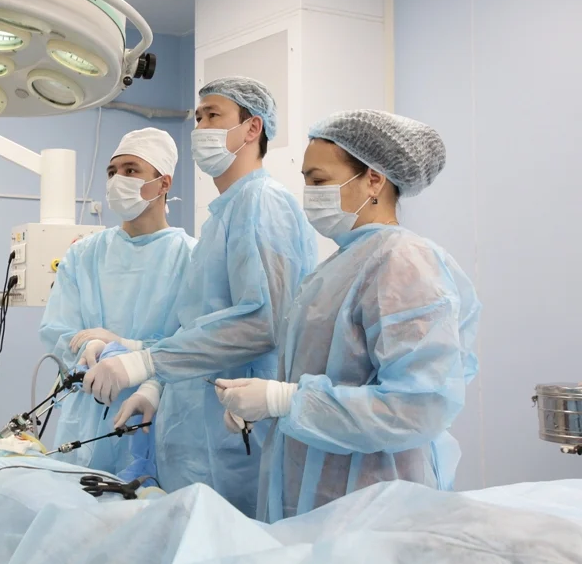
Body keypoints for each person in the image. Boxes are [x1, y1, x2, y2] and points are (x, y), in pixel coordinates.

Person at [216, 109, 481, 523]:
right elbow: (326, 379)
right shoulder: (340, 266)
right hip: (320, 493)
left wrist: (283, 400)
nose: (309, 193)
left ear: (373, 179)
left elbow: (416, 407)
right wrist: (269, 407)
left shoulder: (402, 261)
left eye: (319, 180)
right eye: (306, 180)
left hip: (376, 502)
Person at [84, 77, 319, 516]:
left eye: (213, 115)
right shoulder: (222, 216)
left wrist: (146, 363)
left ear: (252, 128)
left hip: (237, 433)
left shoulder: (262, 203)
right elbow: (198, 324)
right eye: (197, 117)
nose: (200, 128)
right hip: (201, 431)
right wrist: (157, 385)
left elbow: (263, 322)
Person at [38, 127, 195, 476]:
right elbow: (58, 329)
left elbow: (195, 344)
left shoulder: (191, 258)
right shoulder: (83, 255)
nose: (117, 180)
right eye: (112, 172)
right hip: (86, 419)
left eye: (131, 170)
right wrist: (89, 348)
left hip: (160, 414)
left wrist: (126, 350)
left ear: (164, 183)